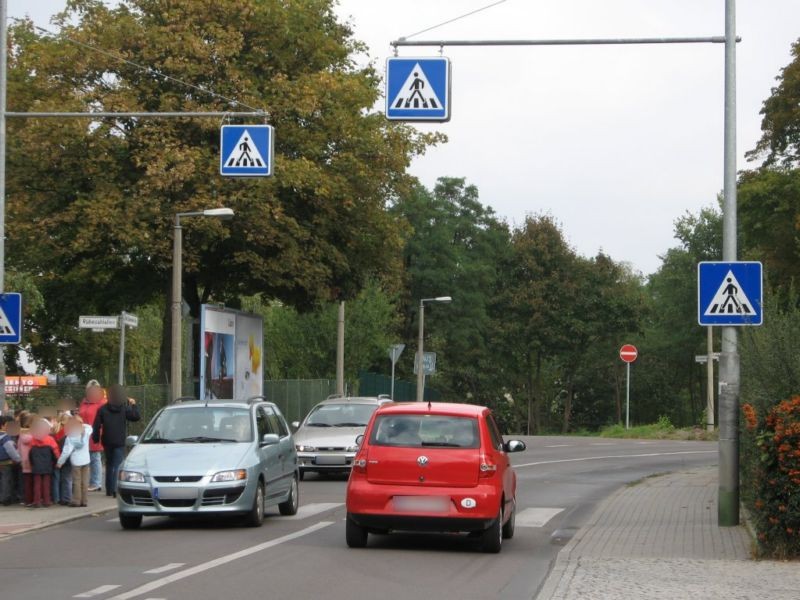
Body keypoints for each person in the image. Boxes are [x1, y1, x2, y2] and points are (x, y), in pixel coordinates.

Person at [92, 384, 140, 497]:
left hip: (107, 440)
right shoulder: (124, 408)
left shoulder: (102, 409)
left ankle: (109, 489)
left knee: (109, 464)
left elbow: (96, 425)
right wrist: (133, 405)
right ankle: (115, 489)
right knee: (117, 464)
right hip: (119, 440)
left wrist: (96, 439)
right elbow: (135, 417)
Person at [56, 416, 92, 507]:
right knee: (85, 482)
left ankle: (77, 500)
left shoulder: (70, 437)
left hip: (76, 461)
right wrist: (82, 424)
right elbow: (90, 427)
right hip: (86, 459)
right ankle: (85, 501)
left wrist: (60, 462)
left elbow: (66, 452)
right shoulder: (86, 432)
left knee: (76, 481)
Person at [79, 380, 106, 492]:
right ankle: (90, 481)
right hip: (83, 434)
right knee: (87, 457)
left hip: (96, 432)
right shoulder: (84, 402)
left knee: (95, 457)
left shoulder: (103, 403)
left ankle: (96, 482)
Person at [29, 418, 60, 508]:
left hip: (36, 466)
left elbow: (30, 454)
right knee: (46, 484)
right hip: (47, 466)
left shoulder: (33, 440)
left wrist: (32, 464)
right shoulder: (50, 439)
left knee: (37, 484)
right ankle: (47, 501)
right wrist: (56, 461)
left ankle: (37, 501)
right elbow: (55, 452)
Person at [51, 413, 73, 505]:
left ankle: (56, 498)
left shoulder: (54, 430)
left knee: (56, 478)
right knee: (67, 478)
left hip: (55, 456)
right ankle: (66, 498)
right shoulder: (69, 432)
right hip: (66, 458)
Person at [0, 417, 22, 505]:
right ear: (5, 426)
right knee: (6, 480)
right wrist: (18, 459)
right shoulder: (6, 438)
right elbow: (11, 450)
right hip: (6, 463)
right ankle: (5, 498)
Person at [16, 411, 34, 506]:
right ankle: (32, 499)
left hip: (23, 461)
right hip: (32, 461)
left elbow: (18, 448)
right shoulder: (33, 436)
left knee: (25, 482)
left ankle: (26, 500)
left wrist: (19, 459)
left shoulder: (20, 435)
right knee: (33, 482)